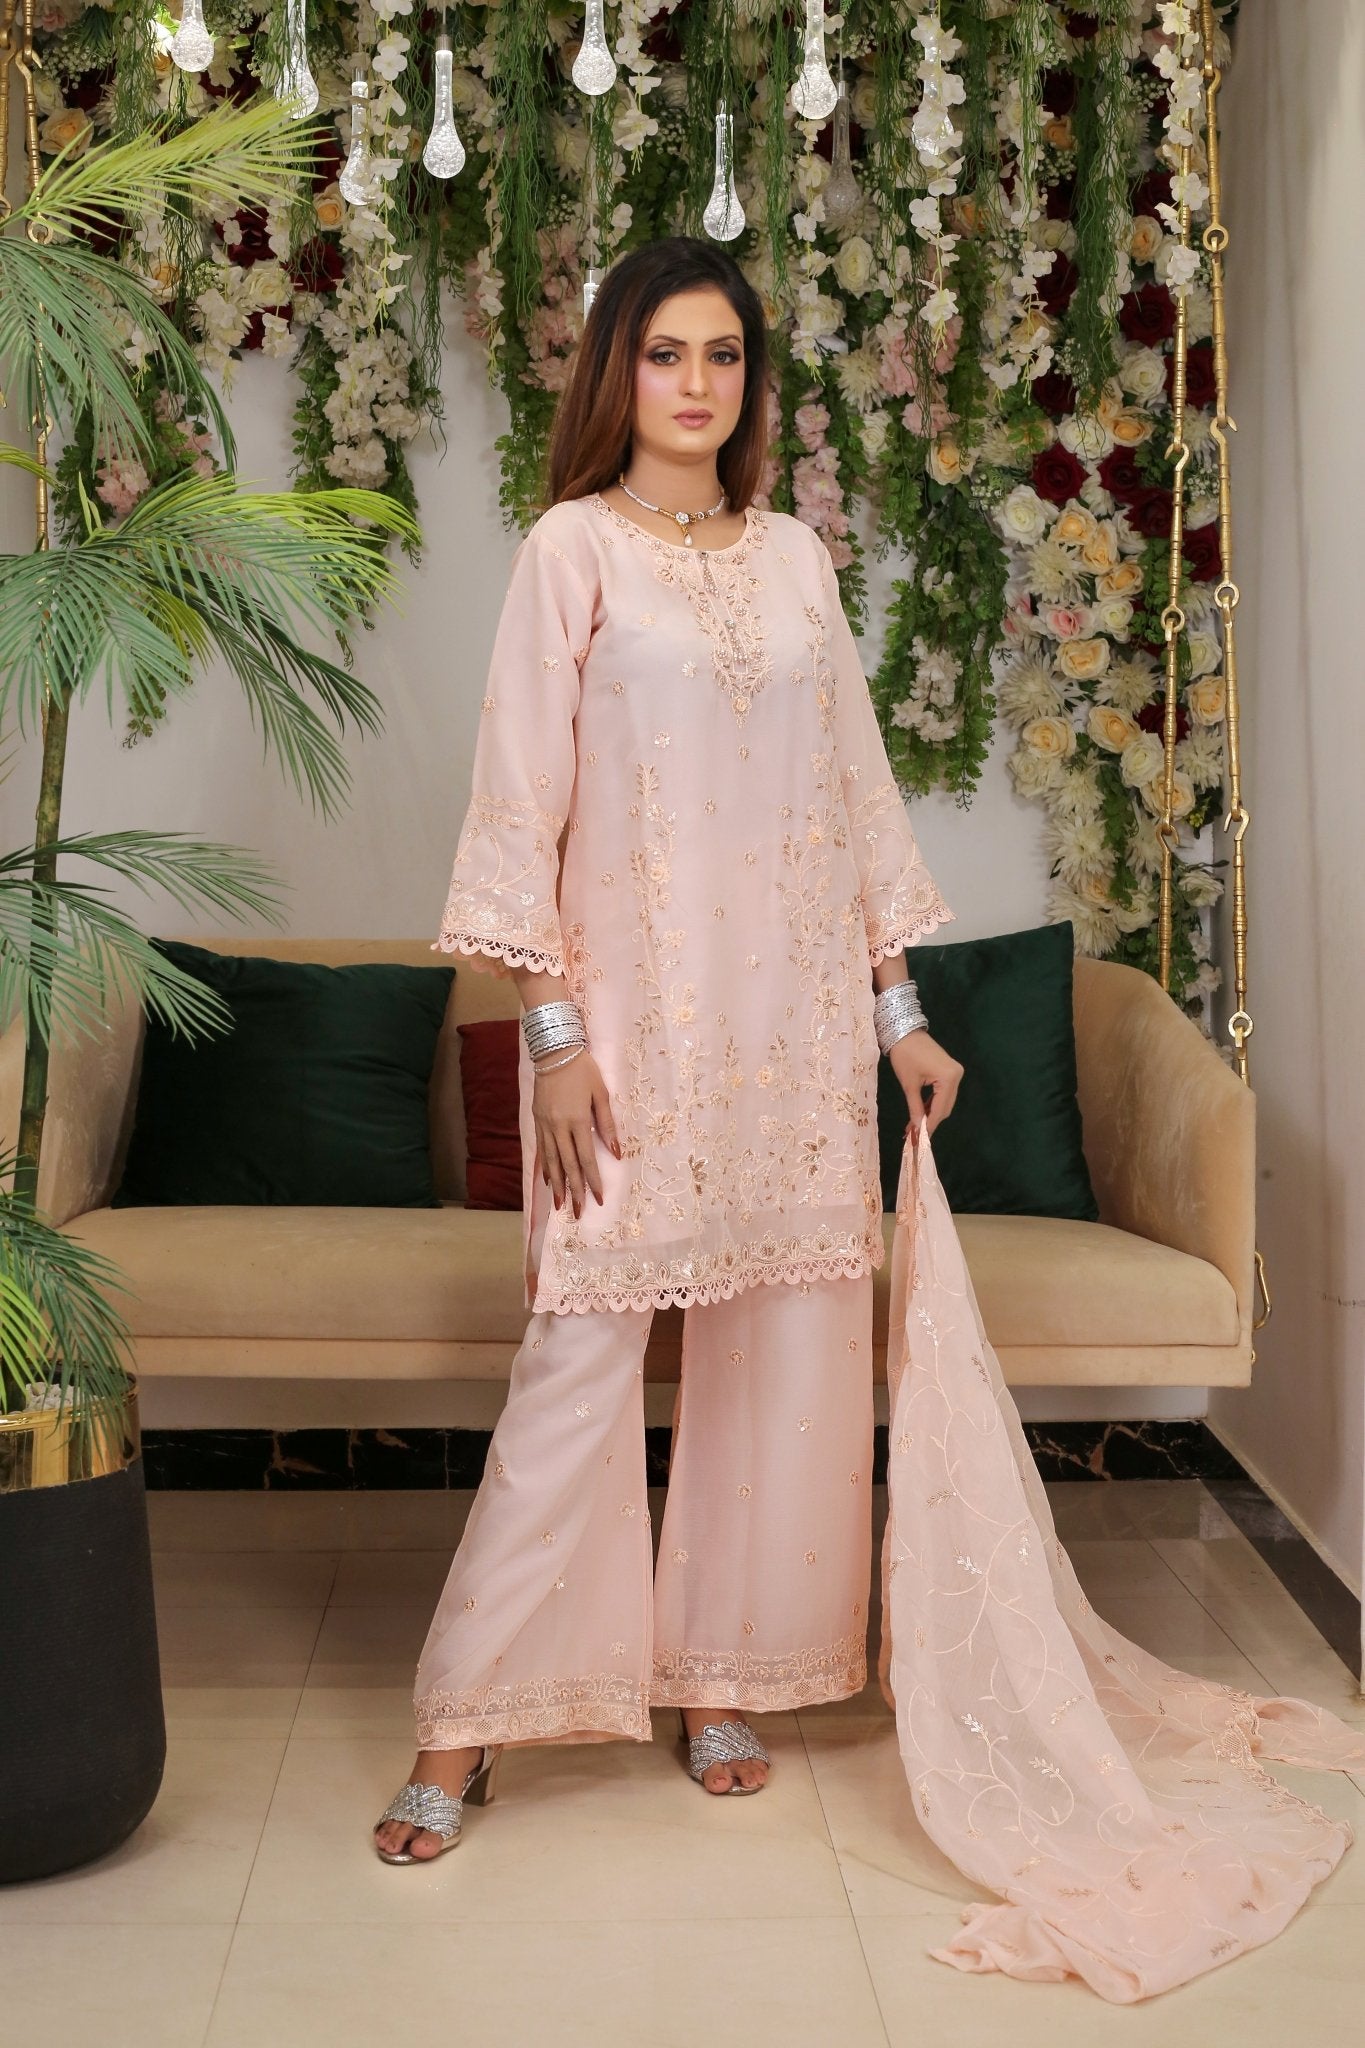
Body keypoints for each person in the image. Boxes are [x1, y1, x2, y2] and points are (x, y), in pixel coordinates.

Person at [373, 233, 960, 1861]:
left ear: (750, 382)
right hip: (625, 1041)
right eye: (663, 354)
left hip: (788, 1037)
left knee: (778, 1359)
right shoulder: (571, 551)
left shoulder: (797, 562)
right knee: (575, 1365)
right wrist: (553, 1038)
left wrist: (898, 1014)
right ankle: (465, 1724)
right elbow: (519, 806)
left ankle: (722, 1676)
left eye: (723, 356)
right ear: (614, 372)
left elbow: (851, 797)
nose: (695, 385)